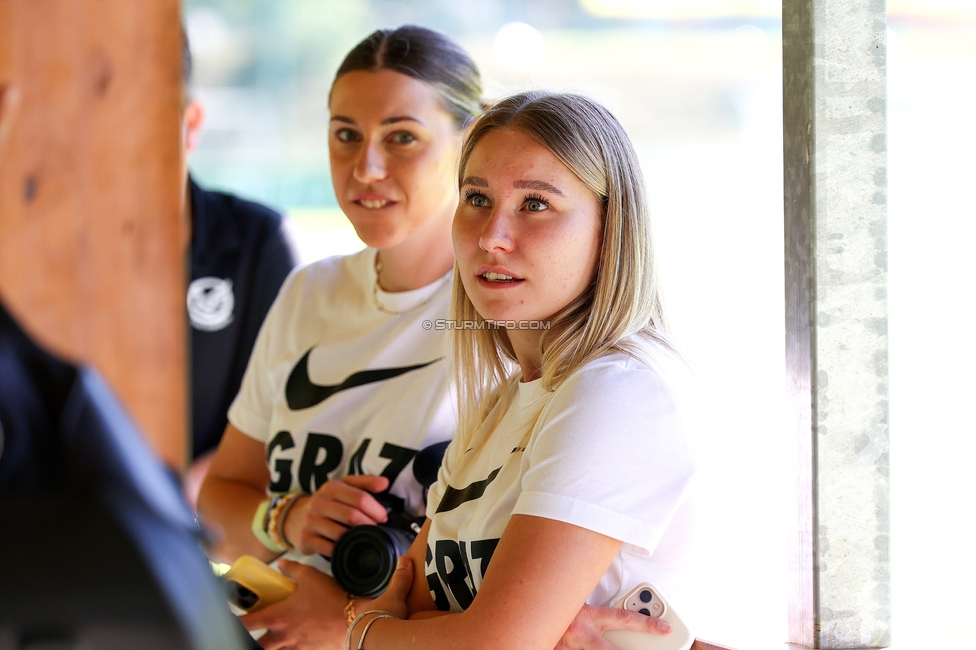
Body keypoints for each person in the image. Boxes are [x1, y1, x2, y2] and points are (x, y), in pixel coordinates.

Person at [198, 26, 672, 650]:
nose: (367, 167)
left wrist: (356, 627)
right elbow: (449, 612)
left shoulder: (590, 374)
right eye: (346, 135)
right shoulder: (500, 392)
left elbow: (488, 637)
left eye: (402, 136)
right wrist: (289, 520)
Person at [341, 90, 697, 650]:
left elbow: (484, 642)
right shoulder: (499, 407)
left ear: (610, 230)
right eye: (476, 198)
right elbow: (417, 602)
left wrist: (362, 634)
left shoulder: (618, 390)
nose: (491, 236)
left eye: (535, 203)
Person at [179, 28, 299, 508]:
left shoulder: (257, 240)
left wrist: (177, 500)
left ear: (190, 123)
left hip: (197, 519)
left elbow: (280, 415)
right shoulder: (37, 247)